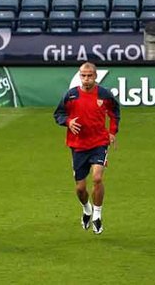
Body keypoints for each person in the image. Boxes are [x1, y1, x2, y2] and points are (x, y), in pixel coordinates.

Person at [53, 61, 120, 235]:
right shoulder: (71, 96)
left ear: (95, 76)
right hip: (78, 145)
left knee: (97, 178)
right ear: (79, 76)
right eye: (83, 75)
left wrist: (112, 132)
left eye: (90, 75)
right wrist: (68, 122)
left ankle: (97, 215)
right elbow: (58, 114)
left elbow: (114, 113)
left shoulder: (104, 95)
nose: (86, 79)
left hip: (99, 142)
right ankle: (87, 208)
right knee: (80, 188)